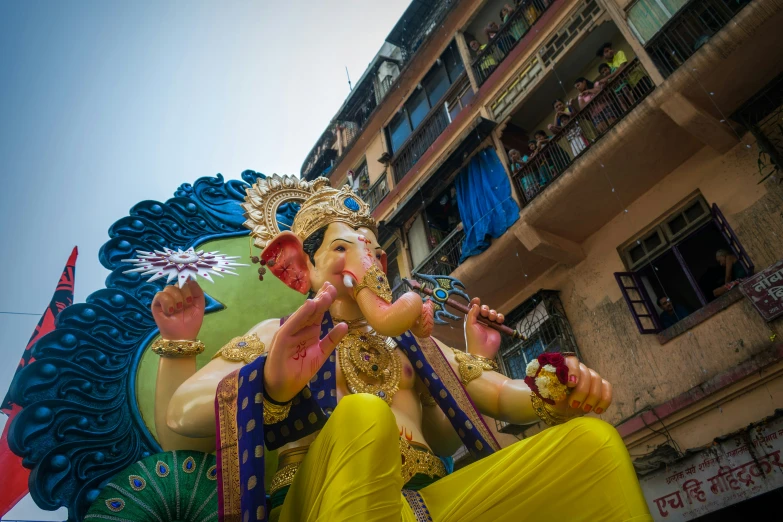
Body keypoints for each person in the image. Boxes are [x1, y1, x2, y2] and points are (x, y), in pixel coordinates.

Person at [149, 175, 651, 521]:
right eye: (346, 247)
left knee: (591, 445)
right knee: (365, 416)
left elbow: (498, 394)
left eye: (374, 249)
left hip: (428, 501)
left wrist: (553, 386)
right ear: (298, 266)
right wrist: (269, 384)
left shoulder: (411, 344)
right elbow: (181, 414)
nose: (369, 259)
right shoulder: (277, 334)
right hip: (320, 501)